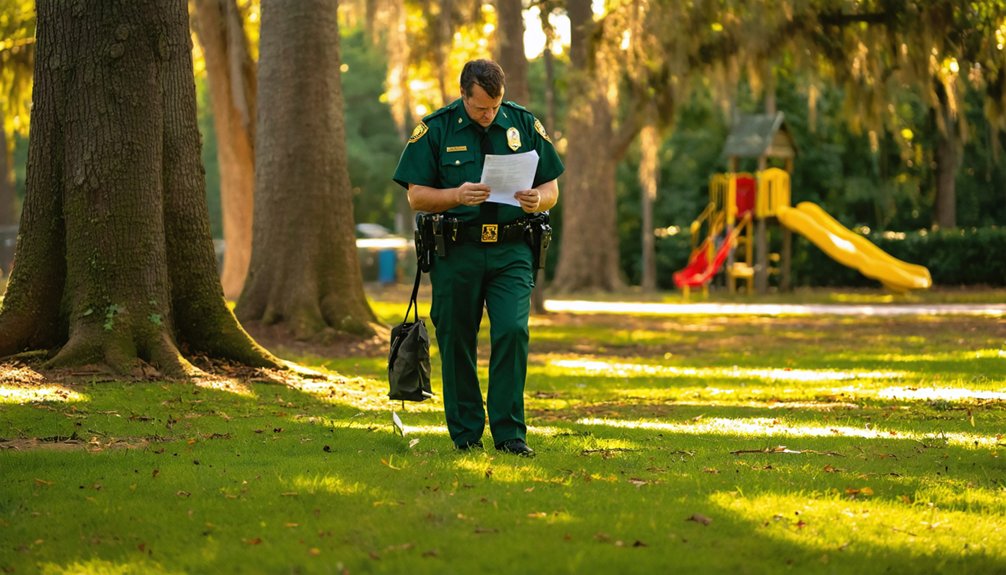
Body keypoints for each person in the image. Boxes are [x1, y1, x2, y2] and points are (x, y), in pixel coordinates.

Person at [393, 59, 564, 457]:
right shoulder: (436, 128)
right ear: (464, 95)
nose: (489, 115)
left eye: (495, 106)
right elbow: (417, 196)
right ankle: (466, 434)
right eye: (481, 107)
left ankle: (509, 433)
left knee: (512, 330)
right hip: (457, 250)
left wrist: (538, 199)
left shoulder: (523, 123)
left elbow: (551, 188)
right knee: (456, 338)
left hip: (511, 249)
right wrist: (456, 195)